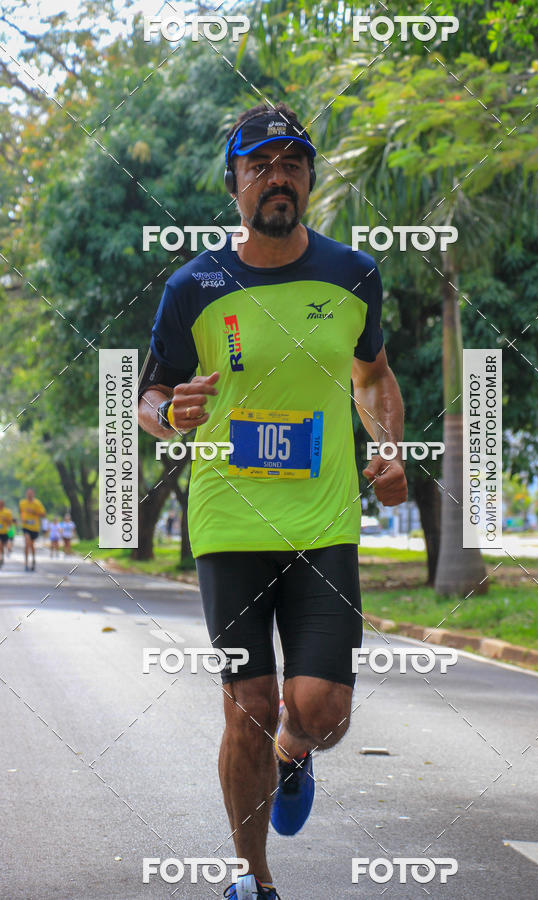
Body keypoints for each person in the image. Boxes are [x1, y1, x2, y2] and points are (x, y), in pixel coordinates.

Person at [138, 102, 407, 900]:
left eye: (292, 163)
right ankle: (252, 879)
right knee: (247, 705)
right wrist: (171, 414)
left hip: (323, 524)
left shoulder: (353, 274)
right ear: (234, 184)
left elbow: (373, 377)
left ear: (309, 179)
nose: (277, 176)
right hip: (229, 524)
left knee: (322, 711)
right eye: (259, 165)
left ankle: (295, 753)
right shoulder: (193, 286)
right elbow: (149, 397)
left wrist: (390, 445)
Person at [19, 488, 46, 572]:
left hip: (34, 528)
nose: (29, 495)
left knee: (31, 545)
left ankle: (33, 559)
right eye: (28, 494)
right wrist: (22, 518)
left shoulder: (37, 503)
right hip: (26, 526)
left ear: (33, 494)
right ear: (26, 494)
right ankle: (26, 564)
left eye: (31, 494)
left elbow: (43, 514)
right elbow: (21, 512)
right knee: (27, 543)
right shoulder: (22, 503)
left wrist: (33, 512)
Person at [0, 500, 14, 567]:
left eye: (1, 504)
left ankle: (2, 556)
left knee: (2, 546)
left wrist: (5, 519)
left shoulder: (7, 512)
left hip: (5, 532)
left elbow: (10, 523)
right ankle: (1, 558)